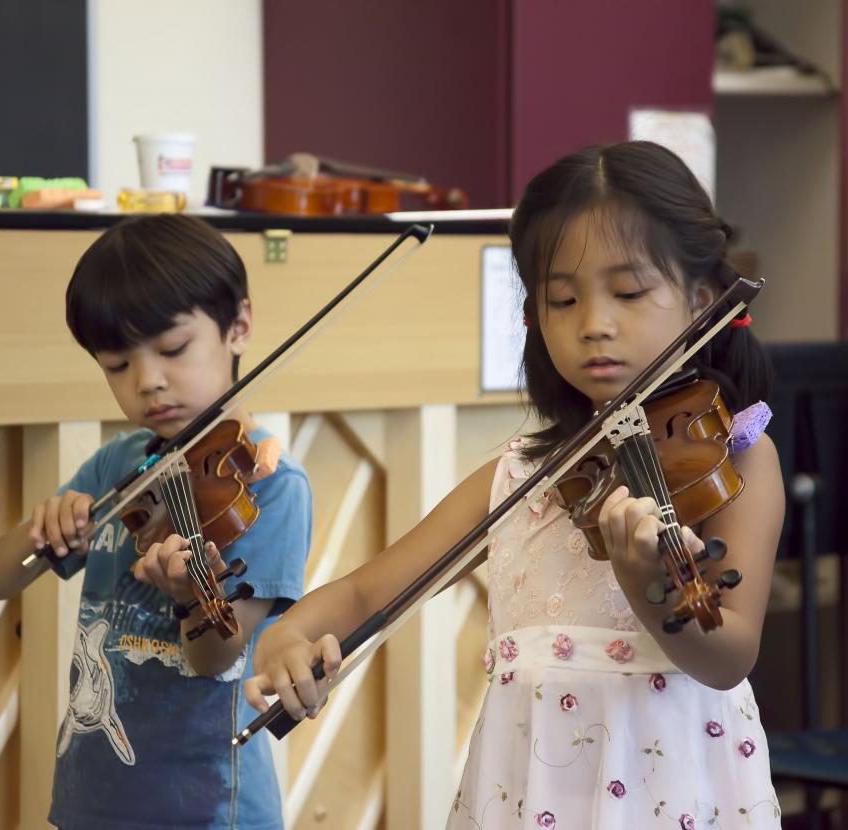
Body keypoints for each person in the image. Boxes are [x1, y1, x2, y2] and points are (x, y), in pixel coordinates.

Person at [243, 142, 785, 828]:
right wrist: (288, 636)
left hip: (672, 796)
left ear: (701, 301)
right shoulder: (526, 472)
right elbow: (363, 592)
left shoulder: (736, 455)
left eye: (628, 292)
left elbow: (727, 654)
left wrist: (643, 578)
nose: (594, 323)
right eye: (562, 298)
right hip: (529, 795)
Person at [0, 214, 312, 830]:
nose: (148, 381)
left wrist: (191, 595)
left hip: (211, 805)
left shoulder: (270, 485)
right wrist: (39, 530)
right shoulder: (117, 466)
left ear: (238, 327)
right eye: (116, 364)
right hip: (91, 798)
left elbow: (218, 657)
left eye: (173, 349)